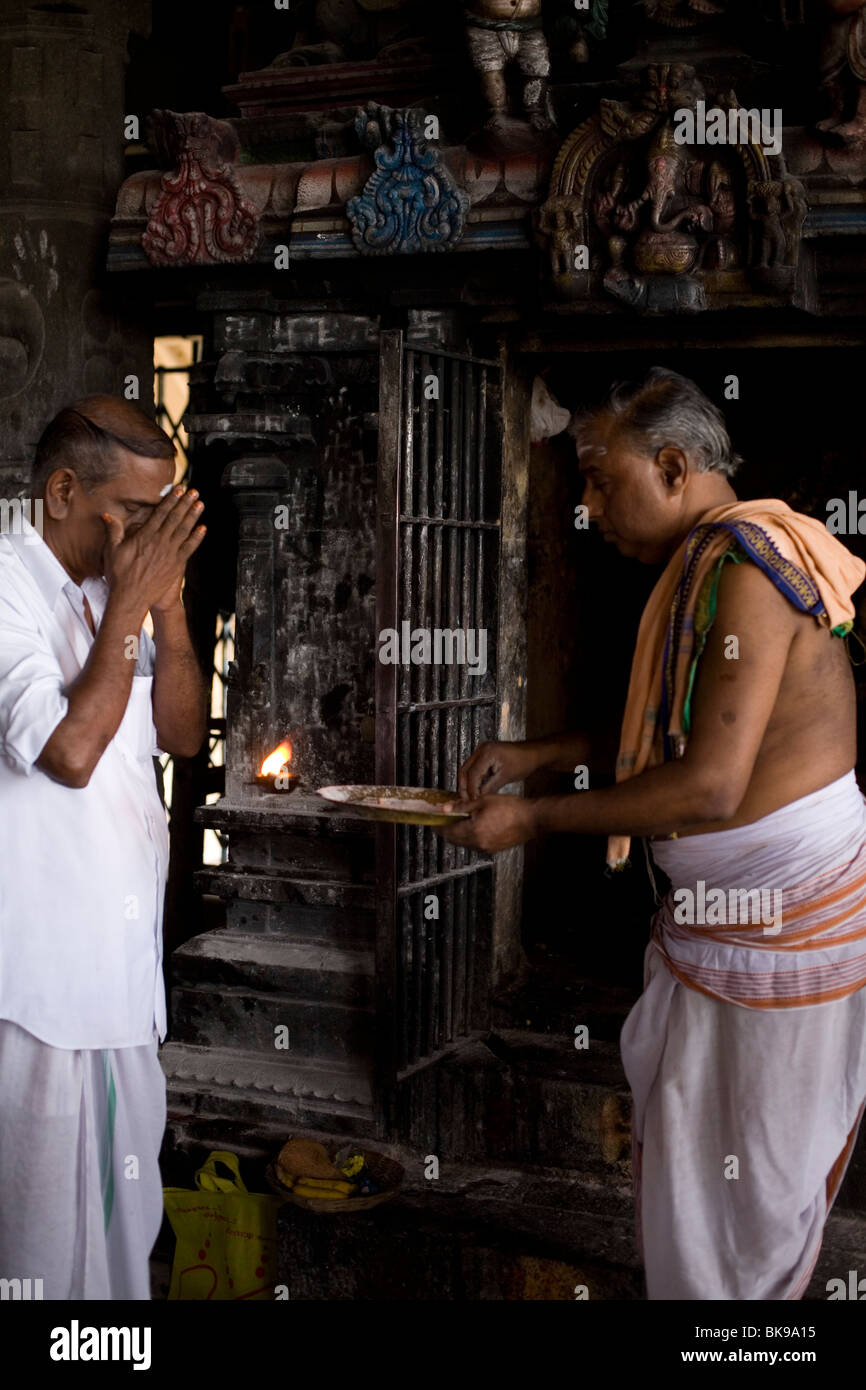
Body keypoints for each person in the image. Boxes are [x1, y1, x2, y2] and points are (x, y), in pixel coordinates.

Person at [439, 367, 866, 1299]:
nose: (588, 507)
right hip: (723, 928)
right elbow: (672, 726)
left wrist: (535, 819)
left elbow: (709, 786)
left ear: (674, 466)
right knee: (708, 1191)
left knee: (750, 1199)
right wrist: (537, 754)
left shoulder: (750, 570)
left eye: (600, 479)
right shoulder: (704, 566)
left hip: (780, 926)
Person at [0, 397, 208, 1300]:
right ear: (62, 490)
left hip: (121, 984)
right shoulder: (6, 581)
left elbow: (186, 733)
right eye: (134, 516)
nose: (149, 538)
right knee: (36, 1254)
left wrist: (166, 611)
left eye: (165, 518)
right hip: (35, 994)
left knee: (122, 1250)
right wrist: (131, 596)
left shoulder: (113, 587)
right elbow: (70, 753)